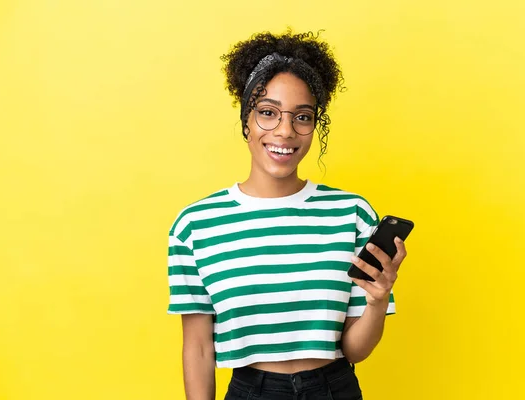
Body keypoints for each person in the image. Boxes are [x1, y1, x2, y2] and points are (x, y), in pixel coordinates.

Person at [167, 30, 408, 400]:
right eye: (268, 113)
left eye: (302, 117)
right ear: (246, 119)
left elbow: (356, 350)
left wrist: (377, 301)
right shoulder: (195, 226)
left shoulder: (352, 214)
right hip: (251, 391)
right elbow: (198, 349)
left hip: (335, 387)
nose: (285, 131)